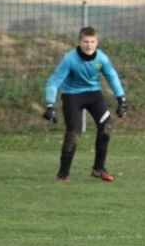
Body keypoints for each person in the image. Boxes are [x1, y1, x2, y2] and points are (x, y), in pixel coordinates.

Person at [42, 26, 127, 183]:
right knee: (73, 134)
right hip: (72, 96)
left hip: (94, 94)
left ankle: (98, 169)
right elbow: (53, 82)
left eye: (92, 42)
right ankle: (63, 175)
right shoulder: (69, 59)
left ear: (97, 42)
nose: (89, 45)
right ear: (79, 42)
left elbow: (112, 76)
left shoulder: (101, 58)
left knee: (107, 127)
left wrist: (121, 99)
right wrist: (50, 105)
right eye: (86, 42)